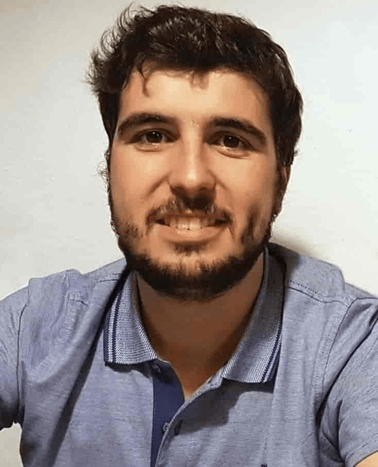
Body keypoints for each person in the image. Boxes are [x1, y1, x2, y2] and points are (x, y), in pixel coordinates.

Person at [1, 4, 378, 467]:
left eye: (231, 140)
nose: (192, 178)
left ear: (281, 179)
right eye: (154, 135)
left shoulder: (354, 345)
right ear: (110, 166)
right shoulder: (33, 327)